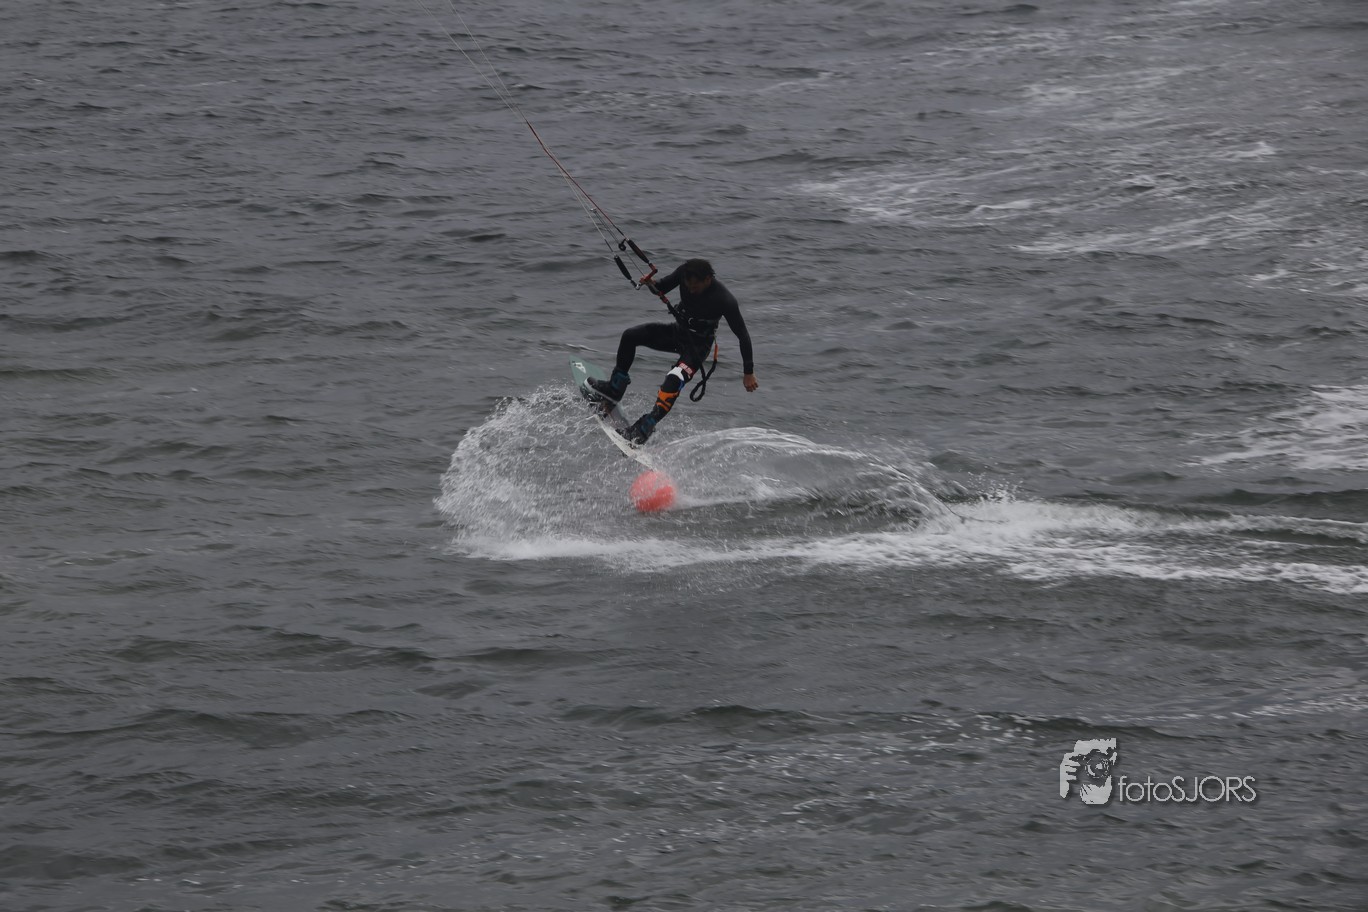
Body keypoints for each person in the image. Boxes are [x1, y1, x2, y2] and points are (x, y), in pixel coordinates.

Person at [587, 258, 758, 443]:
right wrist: (650, 283)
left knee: (674, 379)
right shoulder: (684, 272)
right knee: (630, 336)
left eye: (695, 287)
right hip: (678, 333)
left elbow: (743, 335)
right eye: (688, 286)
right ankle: (614, 389)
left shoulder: (724, 300)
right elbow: (661, 288)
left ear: (708, 279)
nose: (691, 291)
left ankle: (644, 428)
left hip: (697, 347)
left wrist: (748, 372)